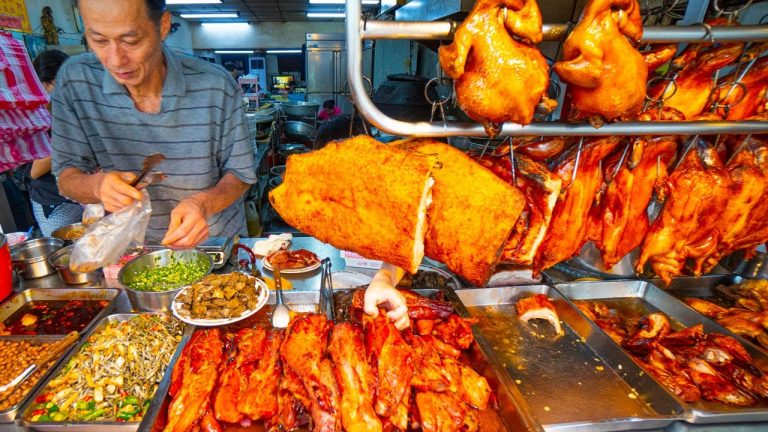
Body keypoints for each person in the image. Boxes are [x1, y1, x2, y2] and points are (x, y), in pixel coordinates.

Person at [51, 0, 257, 249]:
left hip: (215, 244)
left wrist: (203, 203)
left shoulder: (215, 85)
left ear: (163, 25)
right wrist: (97, 185)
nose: (116, 60)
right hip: (135, 250)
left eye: (130, 40)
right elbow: (66, 176)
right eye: (100, 40)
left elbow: (241, 173)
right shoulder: (75, 81)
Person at [19, 49, 83, 237]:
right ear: (43, 85)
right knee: (62, 250)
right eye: (57, 84)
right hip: (53, 201)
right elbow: (34, 171)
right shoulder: (31, 119)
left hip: (83, 194)